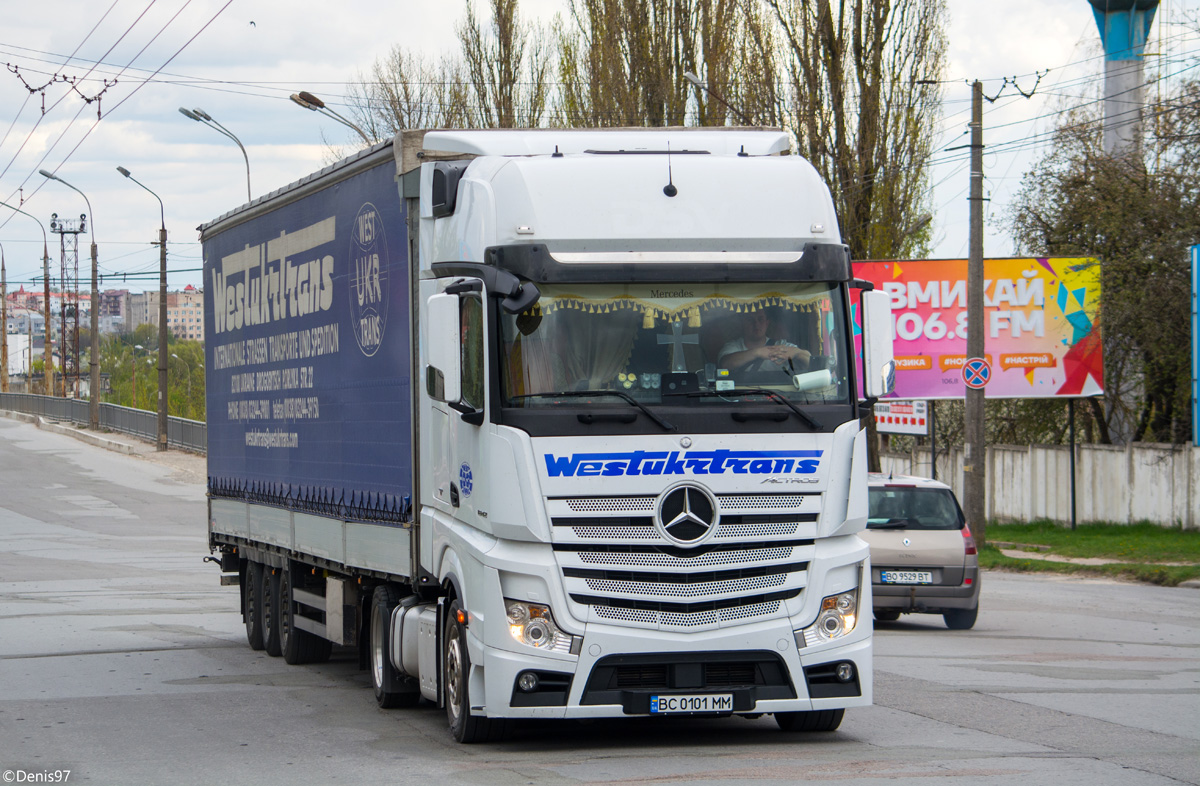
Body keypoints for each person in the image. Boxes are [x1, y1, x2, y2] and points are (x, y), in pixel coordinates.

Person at [718, 309, 810, 375]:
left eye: (760, 319)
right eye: (750, 320)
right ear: (743, 323)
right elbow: (724, 364)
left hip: (780, 399)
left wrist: (796, 353)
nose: (756, 324)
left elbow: (813, 362)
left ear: (767, 323)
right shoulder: (734, 347)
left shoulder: (780, 346)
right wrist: (757, 352)